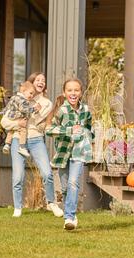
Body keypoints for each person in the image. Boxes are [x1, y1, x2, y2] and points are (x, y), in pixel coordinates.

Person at [1, 72, 64, 218]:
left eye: (43, 80)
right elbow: (4, 122)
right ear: (31, 83)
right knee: (18, 175)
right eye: (38, 80)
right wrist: (17, 123)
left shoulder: (46, 103)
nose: (41, 82)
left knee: (47, 173)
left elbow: (38, 122)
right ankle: (18, 207)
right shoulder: (18, 99)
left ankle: (52, 203)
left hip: (36, 139)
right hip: (17, 138)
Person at [46, 78, 93, 231]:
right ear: (64, 93)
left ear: (81, 92)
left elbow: (89, 128)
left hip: (79, 152)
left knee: (73, 182)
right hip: (63, 153)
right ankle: (70, 213)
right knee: (66, 188)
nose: (73, 93)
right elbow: (49, 129)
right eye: (70, 90)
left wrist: (88, 138)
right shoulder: (61, 110)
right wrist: (68, 130)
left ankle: (69, 217)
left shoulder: (85, 110)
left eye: (76, 90)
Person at [2, 81, 40, 158]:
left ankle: (7, 144)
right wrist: (33, 109)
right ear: (23, 91)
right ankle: (22, 147)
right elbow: (24, 110)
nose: (32, 96)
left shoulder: (14, 97)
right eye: (31, 93)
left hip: (11, 117)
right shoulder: (24, 100)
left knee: (11, 130)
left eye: (33, 94)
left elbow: (7, 107)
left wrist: (4, 112)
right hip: (18, 117)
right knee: (23, 130)